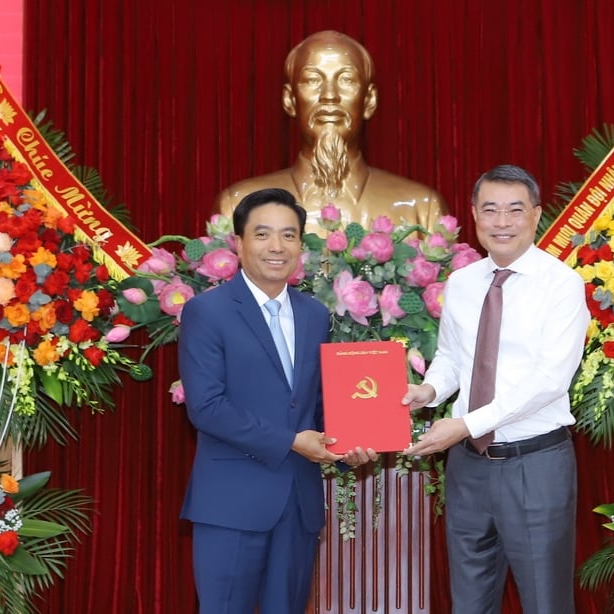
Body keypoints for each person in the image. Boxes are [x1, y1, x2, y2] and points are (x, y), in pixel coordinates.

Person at [178, 187, 378, 614]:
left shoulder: (314, 315)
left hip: (298, 505)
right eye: (263, 234)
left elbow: (319, 404)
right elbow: (207, 408)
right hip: (231, 504)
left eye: (288, 236)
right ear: (238, 242)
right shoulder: (206, 312)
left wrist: (349, 449)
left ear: (301, 245)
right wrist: (291, 441)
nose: (276, 246)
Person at [402, 165, 591, 613]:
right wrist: (428, 391)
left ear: (536, 215)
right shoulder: (463, 283)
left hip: (536, 465)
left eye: (514, 210)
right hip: (468, 468)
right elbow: (452, 358)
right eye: (490, 210)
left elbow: (549, 381)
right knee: (469, 601)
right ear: (474, 215)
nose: (502, 222)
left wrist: (464, 423)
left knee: (545, 601)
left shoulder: (562, 285)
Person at [214, 30, 447, 233]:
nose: (329, 96)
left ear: (369, 100)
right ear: (290, 100)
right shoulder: (238, 205)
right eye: (312, 80)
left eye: (346, 80)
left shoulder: (420, 207)